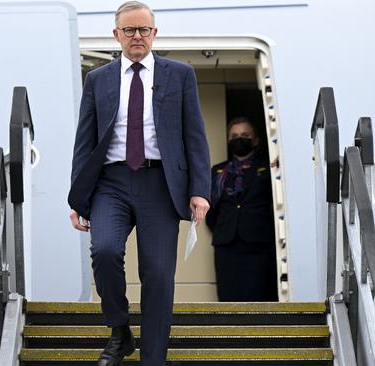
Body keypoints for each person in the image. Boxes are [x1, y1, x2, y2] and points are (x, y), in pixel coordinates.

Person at [67, 2, 211, 365]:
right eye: (129, 30)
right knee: (104, 251)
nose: (137, 37)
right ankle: (119, 332)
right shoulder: (97, 79)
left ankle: (153, 359)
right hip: (110, 184)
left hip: (160, 183)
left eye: (144, 30)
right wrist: (78, 197)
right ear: (116, 35)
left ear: (154, 33)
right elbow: (84, 141)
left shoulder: (180, 75)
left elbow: (195, 137)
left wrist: (200, 190)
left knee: (159, 273)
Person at [205, 117, 278, 302]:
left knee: (259, 295)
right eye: (235, 135)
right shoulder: (218, 171)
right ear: (229, 140)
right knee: (229, 296)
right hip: (226, 245)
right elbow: (211, 209)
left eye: (245, 135)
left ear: (255, 140)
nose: (240, 139)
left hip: (258, 243)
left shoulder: (268, 169)